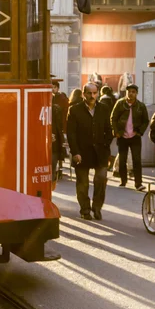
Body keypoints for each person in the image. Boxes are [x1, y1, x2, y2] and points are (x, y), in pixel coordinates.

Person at [66, 83, 113, 220]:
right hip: (81, 152)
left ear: (98, 93)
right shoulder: (74, 110)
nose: (92, 96)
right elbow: (71, 133)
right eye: (89, 93)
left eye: (94, 93)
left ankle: (97, 208)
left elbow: (108, 130)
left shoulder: (104, 109)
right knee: (82, 183)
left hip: (100, 152)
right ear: (83, 94)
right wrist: (75, 152)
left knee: (101, 179)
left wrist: (105, 145)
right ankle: (85, 209)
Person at [110, 83, 149, 191]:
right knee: (122, 159)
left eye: (133, 92)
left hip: (135, 136)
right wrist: (116, 132)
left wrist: (140, 132)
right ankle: (123, 181)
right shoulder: (120, 103)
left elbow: (145, 121)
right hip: (122, 136)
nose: (131, 94)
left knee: (137, 160)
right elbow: (113, 118)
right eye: (129, 91)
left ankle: (138, 183)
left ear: (136, 93)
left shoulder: (141, 106)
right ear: (126, 92)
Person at [51, 101, 64, 190]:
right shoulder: (56, 109)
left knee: (52, 169)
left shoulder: (56, 109)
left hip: (54, 145)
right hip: (54, 146)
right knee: (52, 169)